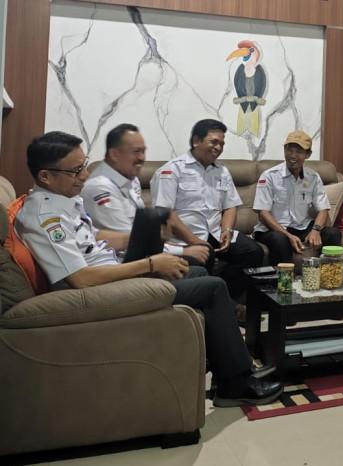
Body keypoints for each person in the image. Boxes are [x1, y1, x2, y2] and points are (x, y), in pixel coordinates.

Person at [16, 131, 283, 407]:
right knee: (213, 287)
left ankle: (226, 364)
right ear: (45, 176)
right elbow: (81, 279)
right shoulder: (46, 217)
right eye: (75, 171)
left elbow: (93, 238)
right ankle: (234, 384)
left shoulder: (65, 199)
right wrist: (152, 263)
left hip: (110, 274)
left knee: (198, 273)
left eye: (84, 165)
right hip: (96, 294)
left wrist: (147, 241)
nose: (84, 176)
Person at [150, 119, 264, 299]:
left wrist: (227, 231)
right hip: (183, 237)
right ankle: (215, 300)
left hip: (215, 232)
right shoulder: (171, 171)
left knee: (253, 251)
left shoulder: (222, 171)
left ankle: (226, 297)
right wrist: (195, 241)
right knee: (204, 254)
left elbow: (230, 206)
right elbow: (166, 214)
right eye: (214, 142)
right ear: (196, 141)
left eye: (222, 144)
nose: (218, 147)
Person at [81, 123, 210, 266]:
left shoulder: (131, 179)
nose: (142, 157)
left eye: (143, 151)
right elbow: (132, 241)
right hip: (120, 264)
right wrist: (183, 251)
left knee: (204, 258)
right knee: (201, 266)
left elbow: (142, 234)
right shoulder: (100, 187)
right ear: (114, 154)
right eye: (136, 152)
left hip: (141, 256)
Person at [252, 130, 342, 265]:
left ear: (308, 154)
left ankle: (328, 274)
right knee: (280, 240)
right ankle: (283, 278)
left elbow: (323, 209)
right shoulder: (269, 176)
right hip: (272, 229)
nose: (293, 156)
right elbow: (263, 213)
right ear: (284, 150)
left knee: (333, 233)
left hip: (302, 227)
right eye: (290, 150)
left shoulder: (313, 177)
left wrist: (315, 230)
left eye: (299, 152)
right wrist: (288, 235)